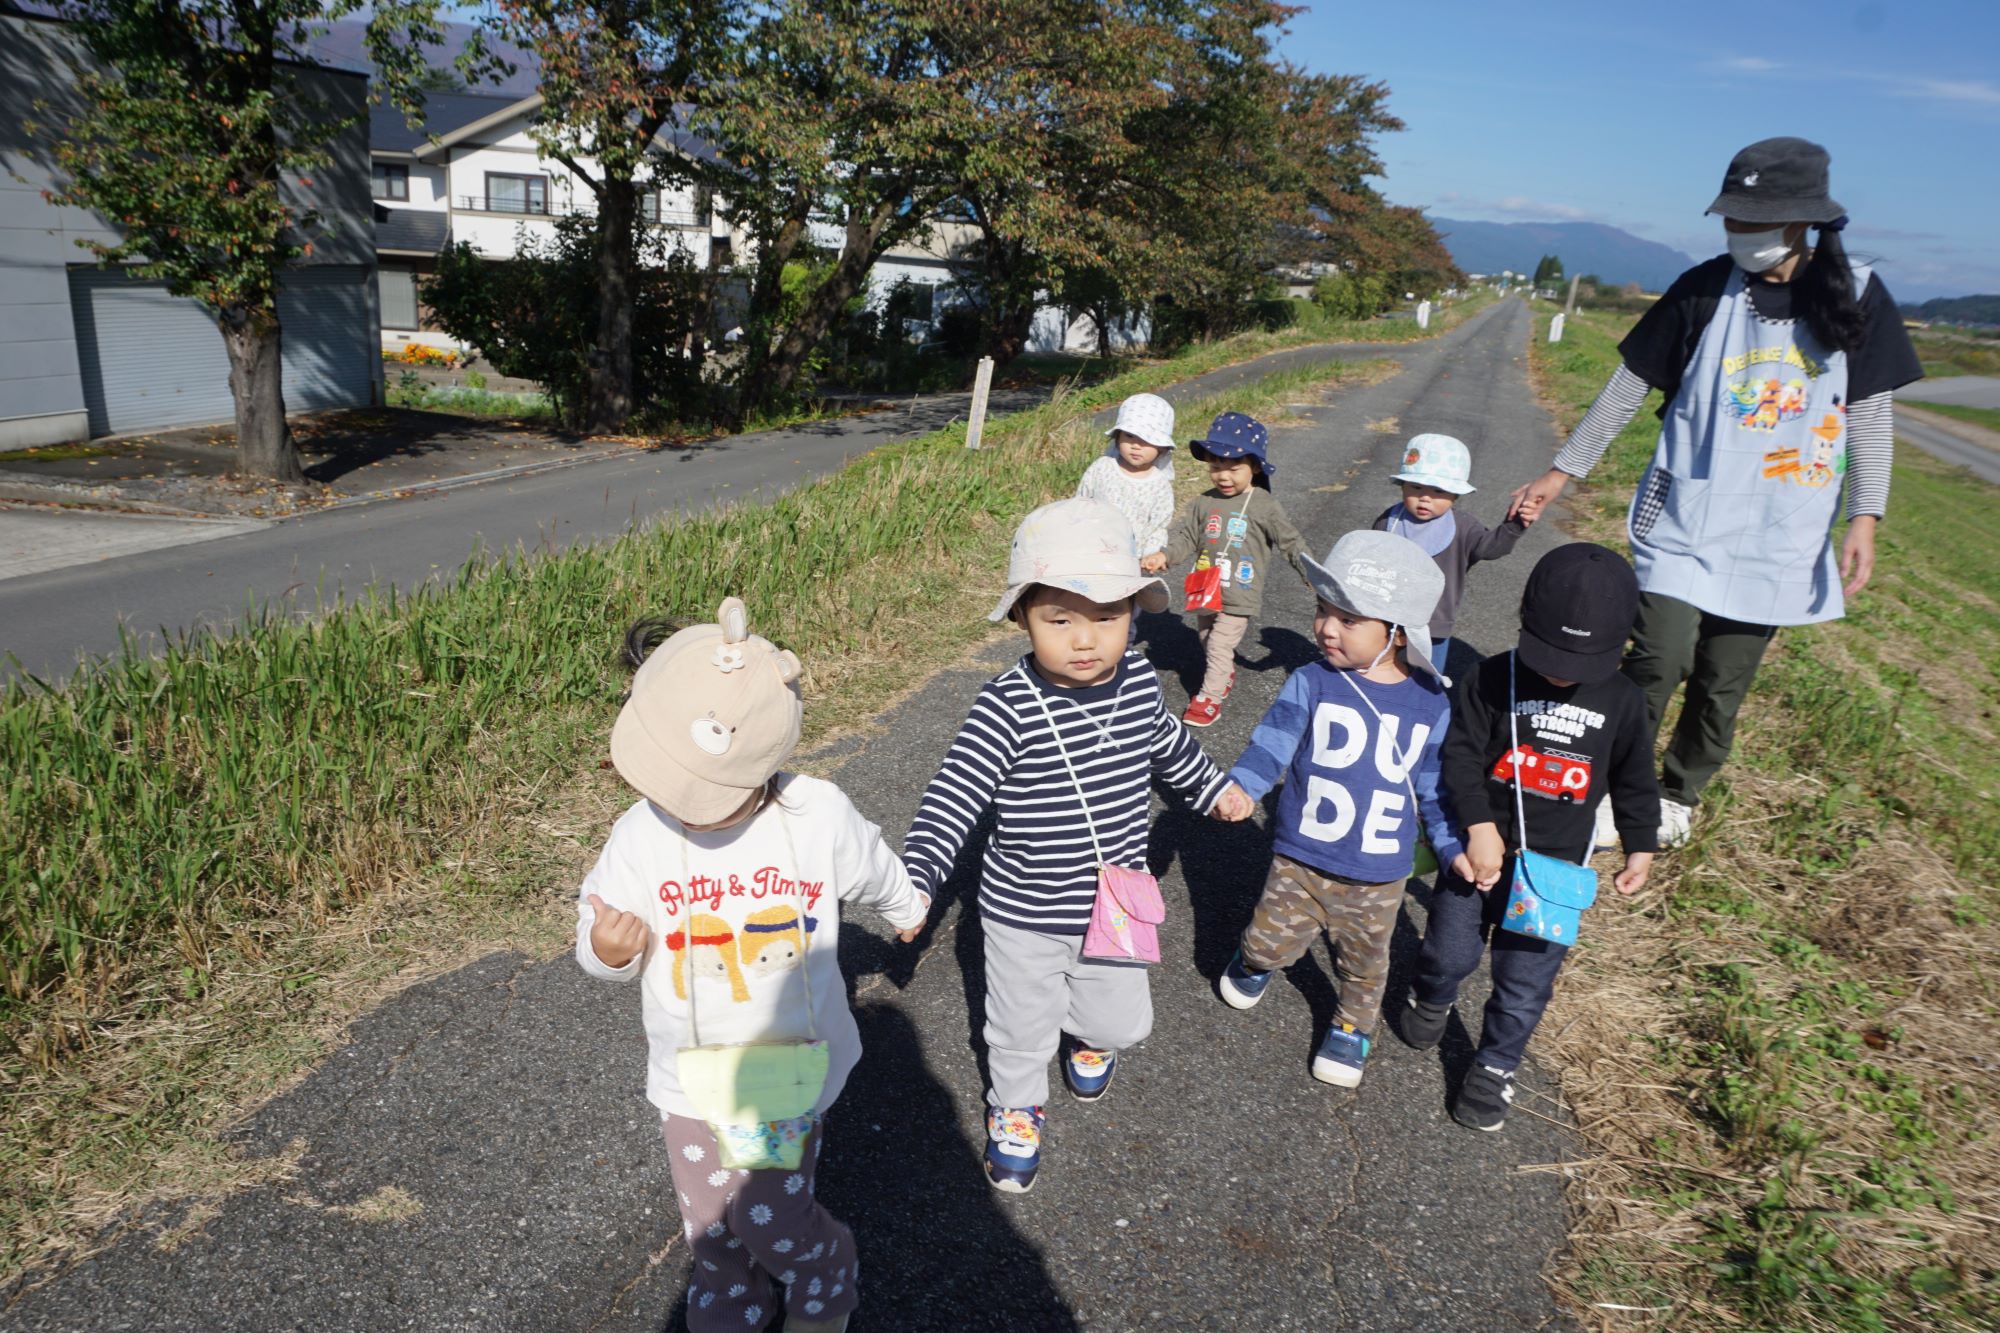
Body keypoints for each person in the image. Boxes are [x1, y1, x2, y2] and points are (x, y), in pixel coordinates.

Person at [1508, 137, 1923, 848]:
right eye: (1733, 219)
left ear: (1801, 222)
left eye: (1754, 222)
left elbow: (1870, 412)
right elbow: (1627, 386)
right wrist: (1561, 471)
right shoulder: (1705, 287)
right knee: (1657, 654)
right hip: (1685, 513)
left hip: (1781, 526)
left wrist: (1866, 515)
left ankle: (1678, 792)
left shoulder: (1858, 294)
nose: (1739, 235)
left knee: (1723, 677)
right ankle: (1608, 780)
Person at [578, 597, 929, 1333]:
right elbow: (599, 924)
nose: (675, 801)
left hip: (784, 1068)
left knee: (772, 1217)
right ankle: (731, 1304)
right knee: (709, 1224)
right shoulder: (640, 835)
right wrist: (608, 951)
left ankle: (825, 1273)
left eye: (697, 788)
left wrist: (905, 905)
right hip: (688, 1076)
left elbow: (871, 864)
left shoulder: (815, 814)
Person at [903, 497, 1252, 1194]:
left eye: (1108, 616)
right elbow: (953, 797)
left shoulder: (1139, 690)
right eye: (1059, 618)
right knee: (1018, 1028)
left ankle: (1091, 1038)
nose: (1085, 639)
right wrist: (917, 878)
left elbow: (1173, 751)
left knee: (1117, 1020)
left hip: (1116, 903)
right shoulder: (1005, 706)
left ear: (1135, 613)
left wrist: (1213, 789)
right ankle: (1017, 1106)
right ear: (1022, 616)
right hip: (1021, 911)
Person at [1402, 545, 1660, 1132]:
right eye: (1550, 652)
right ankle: (1433, 991)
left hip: (1553, 875)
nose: (1561, 669)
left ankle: (1495, 1065)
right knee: (1450, 950)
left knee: (1525, 981)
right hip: (1475, 853)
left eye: (1580, 659)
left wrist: (1640, 844)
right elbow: (1460, 757)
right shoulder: (1493, 677)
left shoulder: (1624, 702)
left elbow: (1635, 778)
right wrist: (1478, 825)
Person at [1215, 530, 1467, 1089]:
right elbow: (1271, 746)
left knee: (1364, 965)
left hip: (1379, 873)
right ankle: (1255, 961)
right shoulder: (1311, 682)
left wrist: (1450, 846)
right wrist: (1242, 788)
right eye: (1323, 611)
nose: (1326, 628)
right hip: (1300, 857)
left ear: (1396, 634)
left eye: (1348, 619)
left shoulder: (1430, 703)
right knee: (1266, 940)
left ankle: (1352, 1027)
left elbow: (1434, 787)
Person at [1142, 411, 1313, 727]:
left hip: (1240, 591)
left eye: (1233, 468)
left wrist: (1310, 573)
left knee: (1220, 644)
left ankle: (1209, 698)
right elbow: (1187, 538)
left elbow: (1290, 541)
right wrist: (1164, 555)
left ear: (1256, 467)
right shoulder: (1203, 503)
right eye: (1215, 467)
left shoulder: (1263, 504)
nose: (1223, 476)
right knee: (1207, 640)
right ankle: (1224, 671)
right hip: (1206, 586)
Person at [1371, 433, 1534, 672]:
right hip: (1384, 615)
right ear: (1402, 486)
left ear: (1455, 495)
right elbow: (1369, 555)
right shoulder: (1390, 520)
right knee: (1377, 667)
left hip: (1433, 624)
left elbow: (1490, 548)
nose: (1425, 498)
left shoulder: (1463, 527)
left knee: (1426, 678)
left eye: (1438, 491)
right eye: (1415, 487)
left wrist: (1514, 524)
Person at [1076, 391, 1178, 568]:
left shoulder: (1159, 485)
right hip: (1091, 552)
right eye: (1130, 436)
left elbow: (1158, 525)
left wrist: (1151, 554)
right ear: (1117, 439)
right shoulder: (1102, 468)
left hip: (1131, 560)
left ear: (1162, 448)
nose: (1136, 445)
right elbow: (1080, 502)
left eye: (1147, 440)